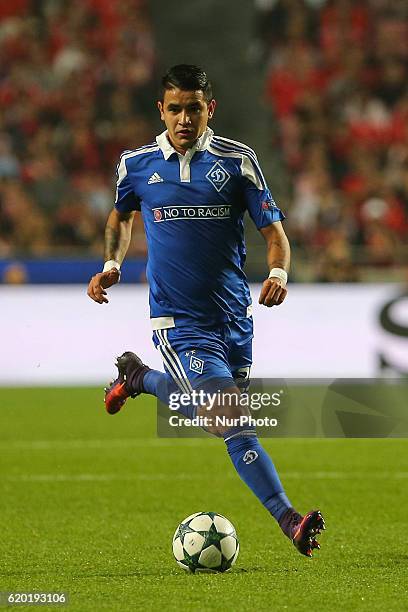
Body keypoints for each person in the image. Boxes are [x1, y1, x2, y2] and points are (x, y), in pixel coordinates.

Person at [87, 64, 325, 557]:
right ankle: (290, 519)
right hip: (178, 320)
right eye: (174, 108)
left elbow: (273, 232)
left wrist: (278, 274)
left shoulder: (239, 162)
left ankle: (138, 378)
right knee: (233, 420)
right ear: (162, 110)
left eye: (193, 108)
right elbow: (120, 215)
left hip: (233, 318)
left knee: (215, 417)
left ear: (208, 109)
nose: (184, 119)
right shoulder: (136, 164)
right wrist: (112, 262)